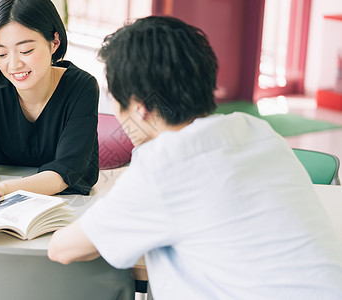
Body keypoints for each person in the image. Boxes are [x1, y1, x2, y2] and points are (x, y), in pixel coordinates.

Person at [48, 16, 342, 299]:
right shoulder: (254, 129)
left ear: (141, 108)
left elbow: (63, 249)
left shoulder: (165, 166)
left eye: (116, 99)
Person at [0, 0, 99, 215]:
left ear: (54, 41)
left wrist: (5, 190)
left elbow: (67, 170)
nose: (13, 65)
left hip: (62, 207)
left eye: (26, 50)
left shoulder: (81, 87)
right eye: (1, 54)